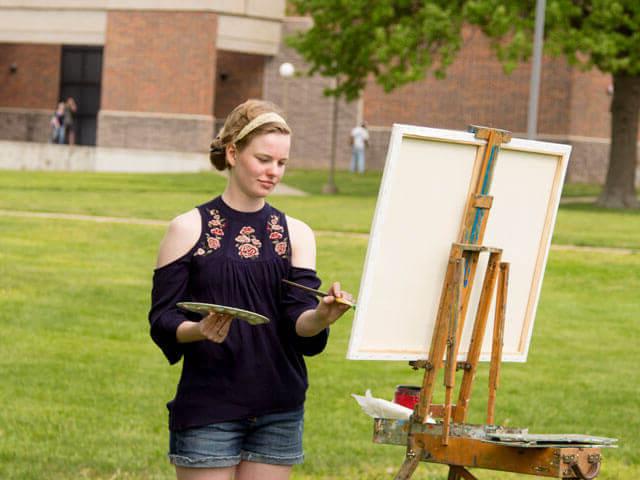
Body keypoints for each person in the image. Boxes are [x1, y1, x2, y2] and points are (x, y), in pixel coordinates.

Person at [149, 99, 353, 480]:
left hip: (279, 407)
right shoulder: (187, 228)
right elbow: (162, 319)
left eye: (282, 163)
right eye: (263, 159)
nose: (273, 172)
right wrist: (198, 330)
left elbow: (299, 325)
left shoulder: (297, 233)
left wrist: (322, 316)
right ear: (232, 153)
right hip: (209, 406)